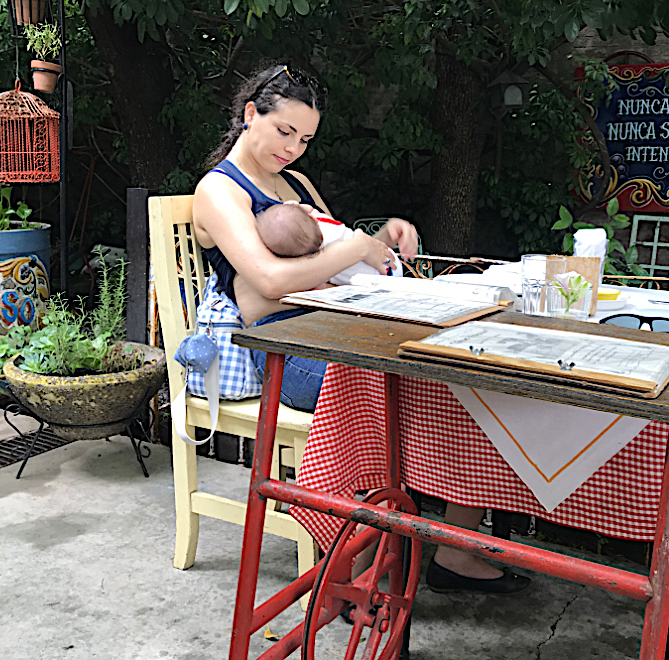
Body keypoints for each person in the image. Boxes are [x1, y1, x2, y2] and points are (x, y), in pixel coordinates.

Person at [192, 62, 528, 595]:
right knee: (394, 389)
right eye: (284, 132)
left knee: (463, 375)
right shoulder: (219, 190)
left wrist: (379, 239)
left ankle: (453, 546)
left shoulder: (294, 182)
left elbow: (331, 253)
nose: (293, 149)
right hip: (285, 345)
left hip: (340, 325)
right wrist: (355, 249)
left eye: (304, 139)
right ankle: (357, 562)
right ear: (250, 114)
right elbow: (269, 277)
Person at [254, 202, 402, 284]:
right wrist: (291, 205)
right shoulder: (323, 220)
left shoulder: (321, 265)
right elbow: (307, 209)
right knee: (357, 234)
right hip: (388, 259)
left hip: (378, 284)